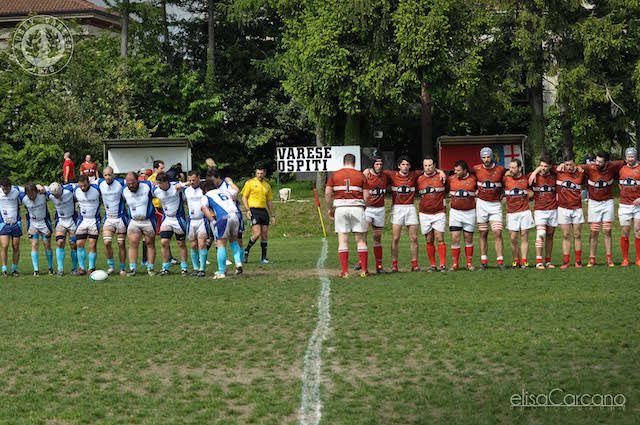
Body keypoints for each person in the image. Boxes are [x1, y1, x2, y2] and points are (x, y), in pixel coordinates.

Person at [325, 154, 370, 278]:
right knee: (361, 240)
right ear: (354, 163)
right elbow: (367, 196)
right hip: (357, 208)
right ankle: (364, 271)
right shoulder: (361, 175)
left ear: (343, 162)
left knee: (343, 240)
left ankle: (345, 272)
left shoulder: (335, 175)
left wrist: (330, 209)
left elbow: (327, 193)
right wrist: (365, 206)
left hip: (341, 208)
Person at [579, 151, 624, 267]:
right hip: (594, 203)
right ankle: (592, 258)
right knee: (594, 231)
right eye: (596, 160)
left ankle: (609, 258)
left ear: (606, 162)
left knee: (607, 230)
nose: (597, 163)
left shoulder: (613, 166)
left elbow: (626, 162)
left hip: (607, 202)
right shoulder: (589, 168)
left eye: (600, 162)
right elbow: (574, 166)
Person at [201, 169, 245, 279]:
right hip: (236, 215)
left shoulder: (206, 195)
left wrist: (212, 220)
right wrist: (229, 182)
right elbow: (236, 190)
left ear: (205, 189)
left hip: (223, 217)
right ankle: (238, 263)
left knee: (220, 244)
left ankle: (221, 272)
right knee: (233, 240)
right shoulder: (225, 191)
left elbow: (204, 208)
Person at [473, 147, 506, 270]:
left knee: (497, 232)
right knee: (483, 233)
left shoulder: (501, 169)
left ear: (492, 156)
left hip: (495, 204)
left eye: (488, 157)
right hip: (481, 204)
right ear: (481, 158)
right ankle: (484, 261)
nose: (486, 159)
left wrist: (504, 192)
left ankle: (500, 261)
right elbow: (468, 178)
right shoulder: (476, 169)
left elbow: (507, 179)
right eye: (484, 157)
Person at [152, 172, 189, 275]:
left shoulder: (176, 186)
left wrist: (184, 184)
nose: (159, 185)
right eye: (158, 183)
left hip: (178, 219)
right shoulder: (156, 190)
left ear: (166, 182)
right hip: (167, 219)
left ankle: (184, 268)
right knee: (164, 242)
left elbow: (188, 184)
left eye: (161, 183)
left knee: (181, 244)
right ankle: (165, 268)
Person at [122, 171, 156, 276]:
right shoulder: (124, 191)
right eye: (128, 183)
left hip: (148, 220)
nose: (130, 185)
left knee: (150, 243)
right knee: (133, 243)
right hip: (134, 221)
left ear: (138, 180)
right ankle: (132, 269)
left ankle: (150, 268)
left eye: (133, 183)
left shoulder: (147, 185)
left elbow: (160, 189)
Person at [417, 156, 447, 272]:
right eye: (425, 165)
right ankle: (433, 265)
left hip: (439, 212)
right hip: (424, 213)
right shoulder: (418, 179)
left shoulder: (442, 177)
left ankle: (443, 265)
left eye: (430, 165)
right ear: (423, 166)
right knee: (429, 239)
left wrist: (441, 171)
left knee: (440, 237)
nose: (428, 168)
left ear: (434, 165)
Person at [359, 156, 389, 273]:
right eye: (377, 164)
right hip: (368, 209)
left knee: (377, 238)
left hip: (380, 209)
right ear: (372, 165)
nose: (379, 166)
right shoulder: (366, 175)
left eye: (381, 164)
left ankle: (379, 265)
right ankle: (362, 263)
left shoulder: (385, 176)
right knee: (364, 234)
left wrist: (440, 171)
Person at [555, 155, 585, 268]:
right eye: (566, 164)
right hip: (563, 209)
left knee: (577, 235)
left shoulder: (581, 173)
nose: (568, 167)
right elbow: (544, 166)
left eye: (571, 164)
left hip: (577, 208)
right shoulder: (558, 171)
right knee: (566, 235)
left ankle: (578, 261)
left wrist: (580, 168)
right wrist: (534, 173)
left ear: (575, 164)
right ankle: (566, 262)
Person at [502, 158, 534, 268]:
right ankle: (516, 260)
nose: (511, 169)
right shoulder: (505, 179)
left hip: (524, 211)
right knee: (513, 238)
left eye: (514, 167)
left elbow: (532, 191)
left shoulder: (526, 179)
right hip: (511, 212)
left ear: (520, 168)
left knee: (524, 236)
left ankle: (524, 260)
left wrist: (531, 194)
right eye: (510, 167)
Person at [528, 156, 558, 269]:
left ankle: (548, 261)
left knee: (550, 235)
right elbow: (525, 185)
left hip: (552, 209)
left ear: (550, 166)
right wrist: (535, 172)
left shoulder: (554, 175)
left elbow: (559, 168)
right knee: (541, 234)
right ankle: (538, 261)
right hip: (539, 209)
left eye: (546, 166)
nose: (543, 168)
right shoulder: (533, 176)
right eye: (541, 166)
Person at [98, 166, 128, 276]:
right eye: (105, 175)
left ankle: (122, 268)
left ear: (113, 175)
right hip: (108, 218)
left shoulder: (121, 182)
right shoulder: (99, 183)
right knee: (107, 242)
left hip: (120, 218)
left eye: (109, 175)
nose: (108, 177)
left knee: (121, 243)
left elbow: (133, 181)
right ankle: (111, 266)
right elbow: (83, 184)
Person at [242, 167, 275, 264]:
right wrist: (247, 210)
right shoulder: (250, 183)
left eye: (261, 173)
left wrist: (273, 215)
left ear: (264, 173)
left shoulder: (267, 186)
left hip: (263, 211)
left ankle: (263, 258)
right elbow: (244, 197)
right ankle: (246, 250)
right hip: (253, 210)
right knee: (257, 233)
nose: (259, 175)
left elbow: (269, 201)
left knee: (264, 235)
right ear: (256, 173)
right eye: (258, 173)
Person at [447, 160, 477, 271]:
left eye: (458, 170)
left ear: (465, 170)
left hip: (469, 212)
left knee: (468, 238)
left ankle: (469, 263)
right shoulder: (451, 179)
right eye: (455, 170)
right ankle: (455, 264)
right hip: (455, 212)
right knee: (455, 238)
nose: (456, 172)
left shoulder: (474, 179)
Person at [20, 183, 54, 275]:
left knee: (47, 245)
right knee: (34, 245)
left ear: (36, 191)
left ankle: (50, 268)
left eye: (32, 194)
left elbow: (52, 188)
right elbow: (14, 189)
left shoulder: (43, 195)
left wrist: (41, 186)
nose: (31, 196)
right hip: (32, 224)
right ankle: (36, 270)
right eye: (29, 194)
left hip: (44, 223)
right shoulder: (23, 198)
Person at [46, 181, 79, 275]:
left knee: (73, 244)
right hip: (60, 220)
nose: (56, 197)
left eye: (57, 194)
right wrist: (39, 186)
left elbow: (77, 185)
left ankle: (74, 268)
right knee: (60, 242)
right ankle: (60, 269)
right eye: (54, 195)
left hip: (72, 219)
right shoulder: (50, 194)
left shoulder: (68, 190)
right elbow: (42, 189)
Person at [73, 175, 102, 275]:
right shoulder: (76, 189)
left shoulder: (97, 188)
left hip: (94, 220)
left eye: (85, 185)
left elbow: (108, 181)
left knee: (92, 245)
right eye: (81, 186)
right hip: (83, 221)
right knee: (79, 244)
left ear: (89, 182)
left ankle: (91, 268)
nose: (83, 188)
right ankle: (81, 268)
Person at [617, 147, 640, 266]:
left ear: (635, 156)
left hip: (638, 207)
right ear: (625, 157)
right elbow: (620, 185)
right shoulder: (622, 169)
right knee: (625, 231)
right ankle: (625, 259)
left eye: (632, 156)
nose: (630, 159)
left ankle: (638, 259)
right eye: (628, 157)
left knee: (638, 231)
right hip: (625, 205)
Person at [184, 171, 209, 276]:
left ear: (199, 178)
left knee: (202, 244)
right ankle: (195, 268)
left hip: (202, 219)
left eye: (194, 180)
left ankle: (202, 269)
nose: (191, 182)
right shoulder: (186, 190)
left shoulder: (204, 189)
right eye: (190, 180)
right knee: (193, 245)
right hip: (191, 220)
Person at [0, 177, 22, 276]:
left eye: (7, 189)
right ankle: (4, 269)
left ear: (10, 186)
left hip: (16, 223)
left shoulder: (16, 190)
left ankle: (14, 269)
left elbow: (29, 188)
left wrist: (39, 187)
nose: (5, 191)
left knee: (16, 246)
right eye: (3, 189)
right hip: (3, 223)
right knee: (4, 246)